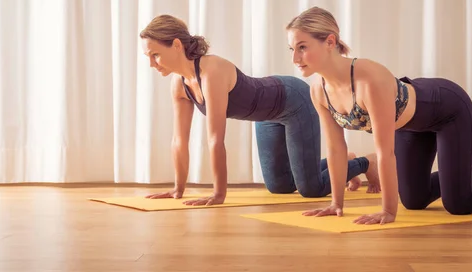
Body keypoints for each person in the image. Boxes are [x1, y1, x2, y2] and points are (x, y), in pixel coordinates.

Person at [285, 6, 472, 225]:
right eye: (292, 49)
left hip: (447, 109)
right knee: (414, 200)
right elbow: (336, 150)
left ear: (330, 41)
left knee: (459, 204)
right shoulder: (319, 91)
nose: (295, 58)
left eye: (302, 47)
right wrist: (336, 204)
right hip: (409, 126)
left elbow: (385, 153)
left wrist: (387, 211)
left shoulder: (369, 79)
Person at [139, 14, 380, 206]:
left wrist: (218, 194)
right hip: (265, 116)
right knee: (280, 185)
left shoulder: (211, 71)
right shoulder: (179, 84)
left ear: (177, 45)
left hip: (292, 100)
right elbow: (179, 141)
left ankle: (365, 163)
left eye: (155, 55)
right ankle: (342, 162)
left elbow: (215, 140)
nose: (151, 63)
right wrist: (177, 189)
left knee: (311, 189)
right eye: (148, 57)